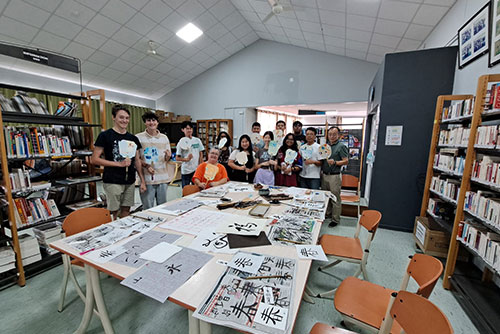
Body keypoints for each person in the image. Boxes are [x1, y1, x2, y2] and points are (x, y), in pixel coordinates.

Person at [91, 105, 145, 219]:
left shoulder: (133, 138)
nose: (124, 120)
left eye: (127, 118)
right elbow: (94, 159)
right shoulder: (105, 136)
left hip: (129, 180)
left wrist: (142, 180)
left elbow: (137, 160)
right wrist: (118, 164)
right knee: (113, 210)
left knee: (126, 209)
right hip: (112, 180)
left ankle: (124, 232)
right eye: (121, 117)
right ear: (113, 118)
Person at [136, 111, 171, 210]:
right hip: (146, 179)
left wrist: (168, 156)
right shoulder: (138, 137)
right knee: (148, 207)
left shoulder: (164, 138)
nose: (151, 123)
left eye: (154, 120)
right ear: (145, 122)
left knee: (163, 207)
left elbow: (166, 159)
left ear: (157, 122)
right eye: (148, 120)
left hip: (162, 178)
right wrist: (146, 166)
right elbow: (136, 159)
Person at [321, 126, 349, 227]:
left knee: (335, 198)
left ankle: (335, 219)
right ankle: (327, 214)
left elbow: (346, 160)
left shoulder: (341, 146)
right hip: (324, 175)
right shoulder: (325, 146)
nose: (332, 136)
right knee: (326, 197)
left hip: (334, 176)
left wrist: (336, 162)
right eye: (330, 134)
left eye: (334, 134)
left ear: (339, 135)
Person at [176, 121, 204, 187]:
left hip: (196, 169)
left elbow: (201, 153)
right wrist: (186, 159)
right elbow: (177, 158)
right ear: (183, 130)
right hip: (186, 170)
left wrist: (200, 165)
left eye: (190, 128)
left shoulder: (197, 140)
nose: (189, 130)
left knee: (197, 188)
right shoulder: (181, 142)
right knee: (186, 189)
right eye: (187, 128)